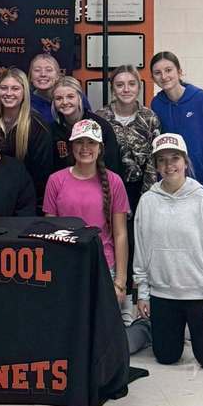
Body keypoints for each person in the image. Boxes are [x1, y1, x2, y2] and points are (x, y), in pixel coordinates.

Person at [134, 133, 203, 370]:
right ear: (156, 166)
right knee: (166, 357)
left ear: (185, 162)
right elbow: (141, 249)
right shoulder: (148, 201)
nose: (169, 166)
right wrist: (143, 292)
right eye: (162, 160)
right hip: (163, 295)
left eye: (175, 158)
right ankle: (175, 331)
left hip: (199, 294)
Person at [43, 119, 130, 311]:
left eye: (91, 142)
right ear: (71, 146)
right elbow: (50, 232)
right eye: (79, 142)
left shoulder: (114, 182)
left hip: (103, 266)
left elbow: (120, 234)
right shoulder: (55, 181)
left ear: (100, 147)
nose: (85, 148)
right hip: (65, 265)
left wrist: (120, 281)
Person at [150, 51, 203, 219]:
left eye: (168, 70)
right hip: (174, 188)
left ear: (180, 72)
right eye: (158, 73)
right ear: (153, 78)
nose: (164, 76)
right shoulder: (156, 104)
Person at [97, 66, 161, 214]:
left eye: (132, 84)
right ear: (113, 88)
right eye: (120, 85)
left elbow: (153, 160)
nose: (126, 89)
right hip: (108, 189)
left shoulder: (149, 118)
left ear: (139, 87)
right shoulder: (100, 118)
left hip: (140, 190)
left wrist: (148, 197)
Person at [0, 67, 52, 204]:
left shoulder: (38, 126)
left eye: (15, 88)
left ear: (24, 92)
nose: (8, 93)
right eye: (3, 88)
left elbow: (41, 175)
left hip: (25, 202)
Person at [50, 75, 122, 178]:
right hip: (65, 187)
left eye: (70, 96)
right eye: (59, 98)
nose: (65, 102)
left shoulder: (100, 127)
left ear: (80, 97)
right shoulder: (52, 130)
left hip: (99, 185)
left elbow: (112, 165)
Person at [28, 52, 61, 125]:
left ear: (57, 76)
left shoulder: (73, 97)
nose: (43, 74)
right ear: (30, 77)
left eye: (49, 70)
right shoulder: (25, 103)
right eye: (37, 70)